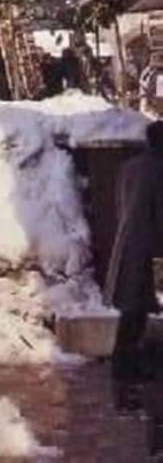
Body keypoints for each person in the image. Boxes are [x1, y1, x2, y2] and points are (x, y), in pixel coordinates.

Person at [105, 121, 163, 407]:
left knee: (132, 312)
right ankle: (129, 370)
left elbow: (120, 205)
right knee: (140, 310)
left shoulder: (129, 167)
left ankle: (123, 367)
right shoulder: (159, 169)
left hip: (128, 245)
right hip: (151, 249)